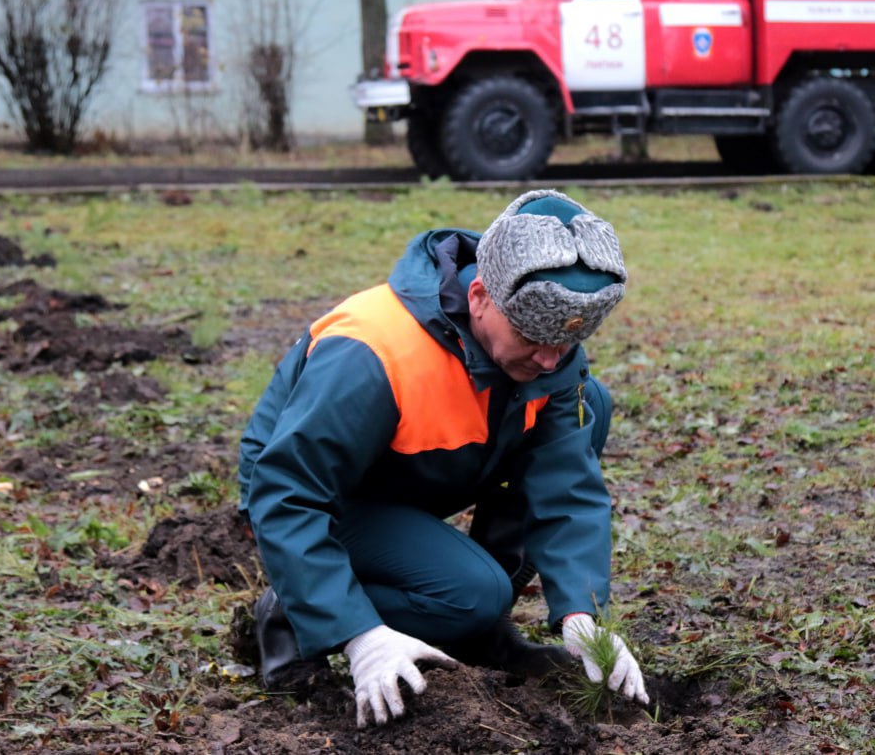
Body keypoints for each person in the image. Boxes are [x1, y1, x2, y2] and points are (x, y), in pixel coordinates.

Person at [238, 189, 648, 727]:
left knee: (587, 404)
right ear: (479, 296)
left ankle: (478, 627)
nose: (549, 358)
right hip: (323, 495)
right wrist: (358, 635)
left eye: (565, 343)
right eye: (531, 337)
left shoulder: (547, 346)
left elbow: (566, 484)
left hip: (417, 470)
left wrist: (580, 612)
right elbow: (286, 491)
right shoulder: (373, 352)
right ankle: (298, 613)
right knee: (470, 593)